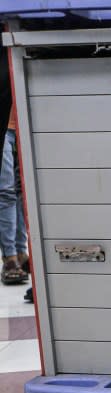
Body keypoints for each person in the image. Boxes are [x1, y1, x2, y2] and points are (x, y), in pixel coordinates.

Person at [0, 109, 28, 286]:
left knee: (20, 192)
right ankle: (10, 258)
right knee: (6, 192)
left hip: (21, 125)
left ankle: (20, 253)